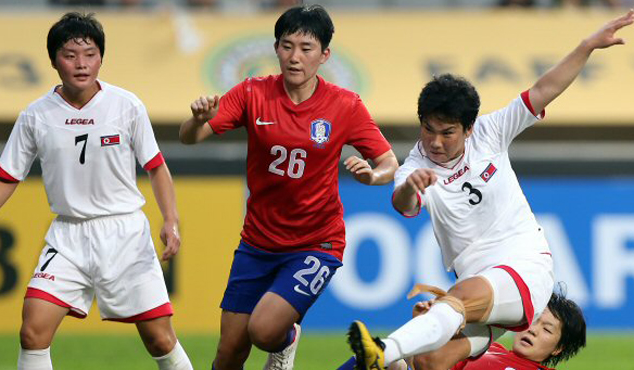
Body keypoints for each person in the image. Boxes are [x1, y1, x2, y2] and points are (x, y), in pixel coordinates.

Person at [347, 10, 633, 370]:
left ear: (468, 129)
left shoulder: (490, 132)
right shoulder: (415, 168)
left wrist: (587, 45)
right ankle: (402, 359)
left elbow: (544, 89)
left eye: (447, 132)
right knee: (429, 362)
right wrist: (408, 189)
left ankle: (384, 352)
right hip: (479, 286)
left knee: (458, 299)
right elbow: (402, 203)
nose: (435, 142)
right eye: (428, 129)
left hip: (524, 268)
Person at [0, 12, 193, 370]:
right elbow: (7, 176)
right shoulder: (36, 115)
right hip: (68, 236)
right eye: (70, 55)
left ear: (101, 57)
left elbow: (156, 167)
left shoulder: (127, 106)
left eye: (90, 54)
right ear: (53, 61)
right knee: (32, 332)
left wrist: (170, 220)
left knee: (159, 338)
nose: (81, 64)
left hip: (124, 231)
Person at [179, 4, 398, 370]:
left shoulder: (344, 105)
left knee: (263, 331)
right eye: (286, 46)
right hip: (257, 242)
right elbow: (191, 137)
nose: (294, 57)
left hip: (316, 242)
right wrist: (196, 119)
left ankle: (286, 339)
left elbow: (389, 162)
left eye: (306, 48)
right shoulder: (253, 93)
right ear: (276, 48)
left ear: (325, 54)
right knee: (229, 351)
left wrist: (372, 177)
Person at [338, 291, 587, 370]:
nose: (533, 330)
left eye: (547, 329)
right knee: (381, 358)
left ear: (558, 347)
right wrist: (421, 327)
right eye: (534, 321)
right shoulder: (487, 347)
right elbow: (423, 364)